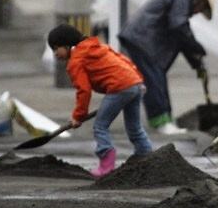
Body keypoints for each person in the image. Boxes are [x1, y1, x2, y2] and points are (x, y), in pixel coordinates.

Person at [47, 24, 153, 178]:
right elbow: (121, 59)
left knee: (100, 126)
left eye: (57, 48)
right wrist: (138, 80)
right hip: (133, 84)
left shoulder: (76, 61)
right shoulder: (96, 46)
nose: (55, 54)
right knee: (134, 127)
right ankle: (147, 158)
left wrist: (78, 116)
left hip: (119, 87)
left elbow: (84, 91)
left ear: (68, 44)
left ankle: (106, 165)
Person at [118, 0, 216, 135]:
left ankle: (166, 120)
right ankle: (161, 122)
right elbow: (179, 28)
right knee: (153, 79)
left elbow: (182, 38)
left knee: (157, 78)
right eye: (201, 7)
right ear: (199, 0)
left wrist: (197, 63)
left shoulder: (180, 1)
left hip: (145, 41)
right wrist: (197, 48)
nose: (198, 12)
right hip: (143, 40)